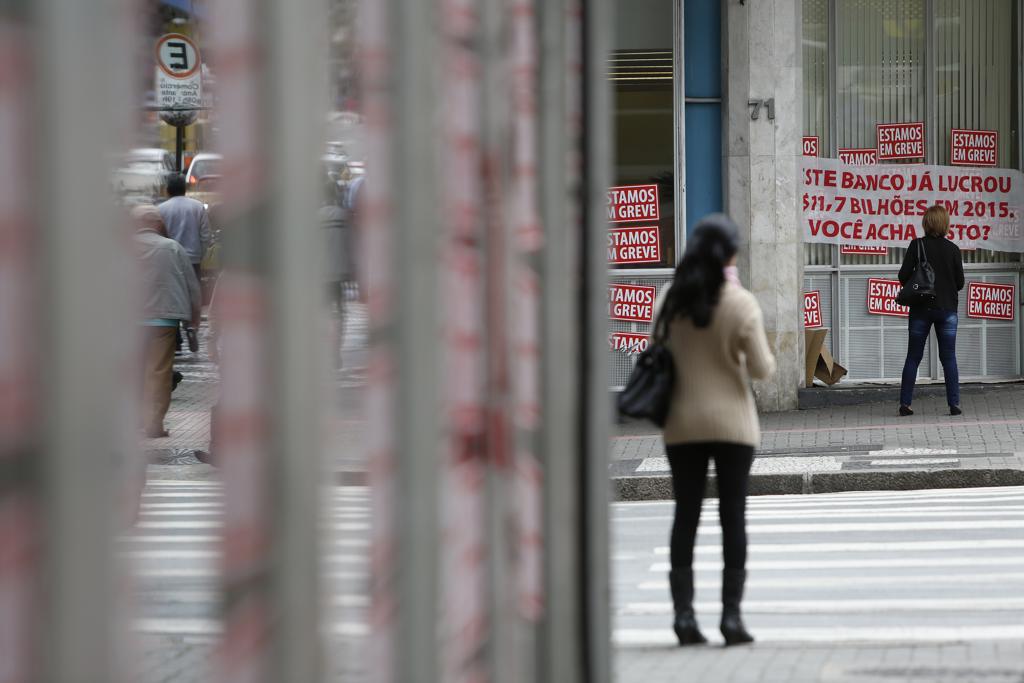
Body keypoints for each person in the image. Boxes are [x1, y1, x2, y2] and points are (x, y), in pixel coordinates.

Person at [654, 214, 776, 647]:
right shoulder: (739, 303)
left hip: (681, 422)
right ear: (729, 254)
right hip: (733, 426)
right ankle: (730, 617)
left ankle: (684, 617)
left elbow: (657, 350)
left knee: (685, 515)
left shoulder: (670, 298)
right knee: (732, 518)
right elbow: (763, 369)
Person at [133, 204, 202, 438]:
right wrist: (193, 322)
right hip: (165, 320)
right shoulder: (173, 248)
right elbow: (193, 287)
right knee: (159, 373)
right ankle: (154, 424)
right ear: (157, 224)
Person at [897, 205, 964, 417]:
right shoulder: (953, 249)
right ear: (945, 224)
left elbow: (903, 276)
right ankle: (954, 404)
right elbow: (960, 283)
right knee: (949, 358)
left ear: (926, 223)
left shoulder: (916, 246)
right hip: (947, 309)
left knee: (913, 357)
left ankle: (905, 404)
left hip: (921, 309)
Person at [159, 172, 210, 352]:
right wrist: (201, 253)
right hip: (193, 257)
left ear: (168, 190)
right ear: (185, 189)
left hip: (169, 258)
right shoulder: (197, 207)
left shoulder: (161, 209)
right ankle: (191, 326)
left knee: (171, 293)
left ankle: (176, 334)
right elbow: (205, 235)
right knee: (192, 294)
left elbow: (159, 234)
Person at [321, 179, 354, 369]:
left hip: (321, 273)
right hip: (340, 272)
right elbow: (350, 245)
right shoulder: (344, 216)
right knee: (339, 312)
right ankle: (335, 351)